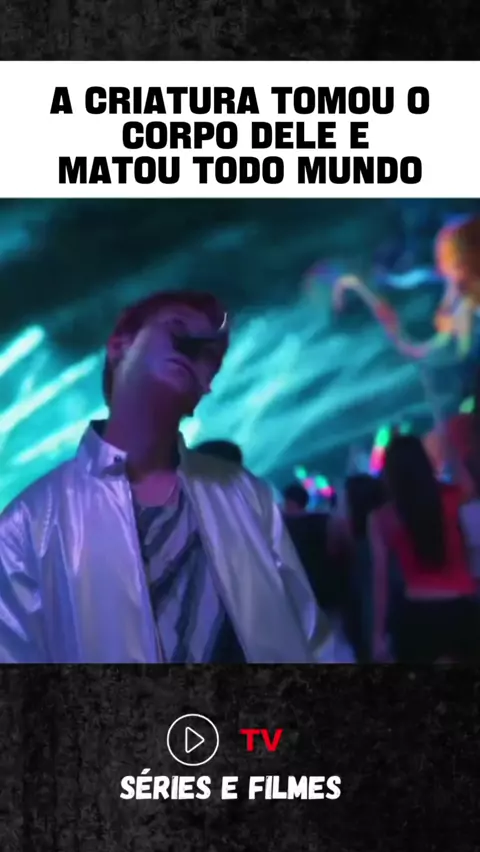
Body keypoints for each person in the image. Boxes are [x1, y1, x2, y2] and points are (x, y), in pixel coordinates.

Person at [0, 290, 333, 664]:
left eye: (210, 356)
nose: (194, 350)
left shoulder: (248, 497)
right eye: (177, 329)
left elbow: (311, 637)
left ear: (206, 387)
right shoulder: (27, 525)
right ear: (119, 345)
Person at [369, 434, 480, 663]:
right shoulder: (452, 497)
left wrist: (378, 634)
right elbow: (469, 483)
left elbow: (380, 581)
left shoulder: (381, 518)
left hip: (416, 615)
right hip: (461, 609)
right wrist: (449, 444)